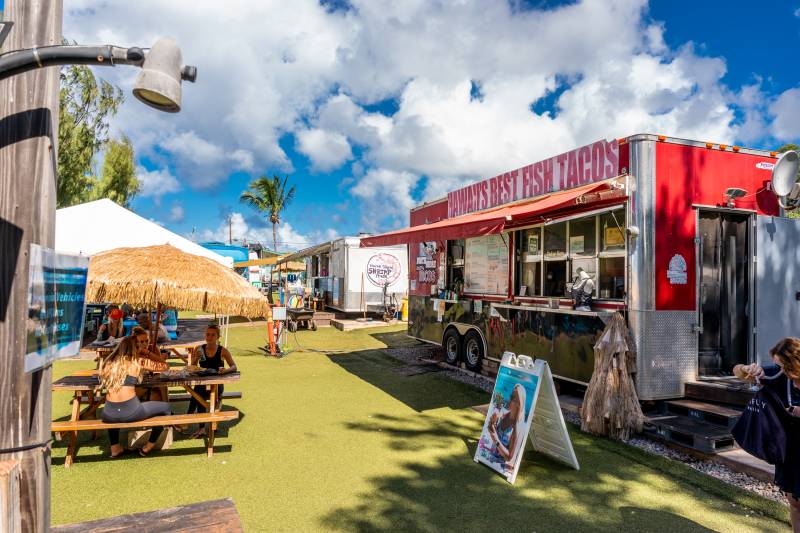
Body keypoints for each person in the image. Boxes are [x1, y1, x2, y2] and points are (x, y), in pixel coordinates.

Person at [734, 338, 800, 532]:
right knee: (794, 501)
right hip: (789, 447)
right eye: (777, 365)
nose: (779, 370)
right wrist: (747, 369)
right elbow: (737, 372)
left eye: (783, 366)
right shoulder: (780, 375)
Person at [99, 336, 170, 457]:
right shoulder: (138, 361)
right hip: (131, 411)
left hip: (108, 413)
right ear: (135, 348)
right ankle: (147, 447)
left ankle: (115, 448)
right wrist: (146, 352)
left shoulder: (108, 363)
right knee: (165, 408)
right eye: (139, 346)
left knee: (116, 410)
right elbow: (164, 366)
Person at [185, 324, 237, 438]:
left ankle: (189, 421)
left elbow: (234, 367)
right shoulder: (199, 349)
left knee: (197, 393)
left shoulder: (222, 350)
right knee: (198, 392)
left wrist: (225, 371)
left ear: (218, 337)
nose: (209, 337)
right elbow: (192, 367)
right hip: (202, 383)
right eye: (208, 334)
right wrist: (195, 359)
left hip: (217, 385)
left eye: (213, 335)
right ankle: (201, 427)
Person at [486, 384, 527, 474]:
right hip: (488, 459)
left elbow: (509, 457)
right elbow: (493, 427)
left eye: (514, 398)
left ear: (519, 403)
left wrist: (494, 437)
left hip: (500, 468)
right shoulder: (504, 414)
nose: (510, 400)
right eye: (511, 396)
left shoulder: (517, 427)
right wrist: (492, 424)